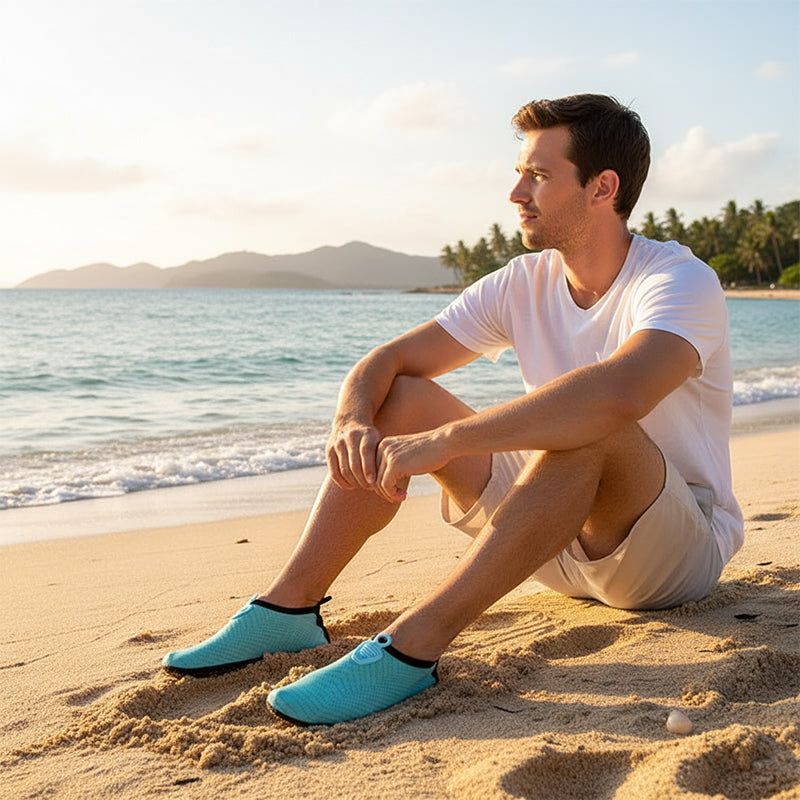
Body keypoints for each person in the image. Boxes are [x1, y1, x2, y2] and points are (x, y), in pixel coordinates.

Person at [162, 93, 743, 726]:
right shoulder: (524, 281)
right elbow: (386, 361)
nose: (516, 191)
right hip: (549, 536)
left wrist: (449, 442)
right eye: (520, 172)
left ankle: (413, 649)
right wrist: (352, 420)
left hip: (667, 555)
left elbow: (618, 394)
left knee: (594, 429)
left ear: (604, 187)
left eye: (540, 175)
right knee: (402, 396)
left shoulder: (679, 281)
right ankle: (288, 610)